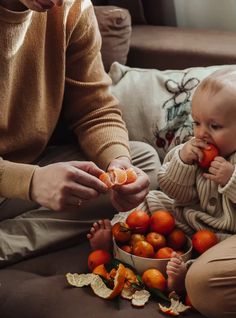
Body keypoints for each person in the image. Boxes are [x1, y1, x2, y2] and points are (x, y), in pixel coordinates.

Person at [0, 0, 160, 266]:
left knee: (143, 161)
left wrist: (118, 163)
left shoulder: (73, 8)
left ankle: (8, 240)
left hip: (24, 175)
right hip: (20, 178)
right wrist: (30, 182)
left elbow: (94, 108)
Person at [89, 66, 236, 318]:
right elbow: (169, 186)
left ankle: (180, 278)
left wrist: (230, 179)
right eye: (197, 122)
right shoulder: (191, 149)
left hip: (223, 233)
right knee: (150, 199)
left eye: (214, 125)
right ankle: (117, 240)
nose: (202, 133)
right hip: (186, 216)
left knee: (210, 254)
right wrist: (182, 160)